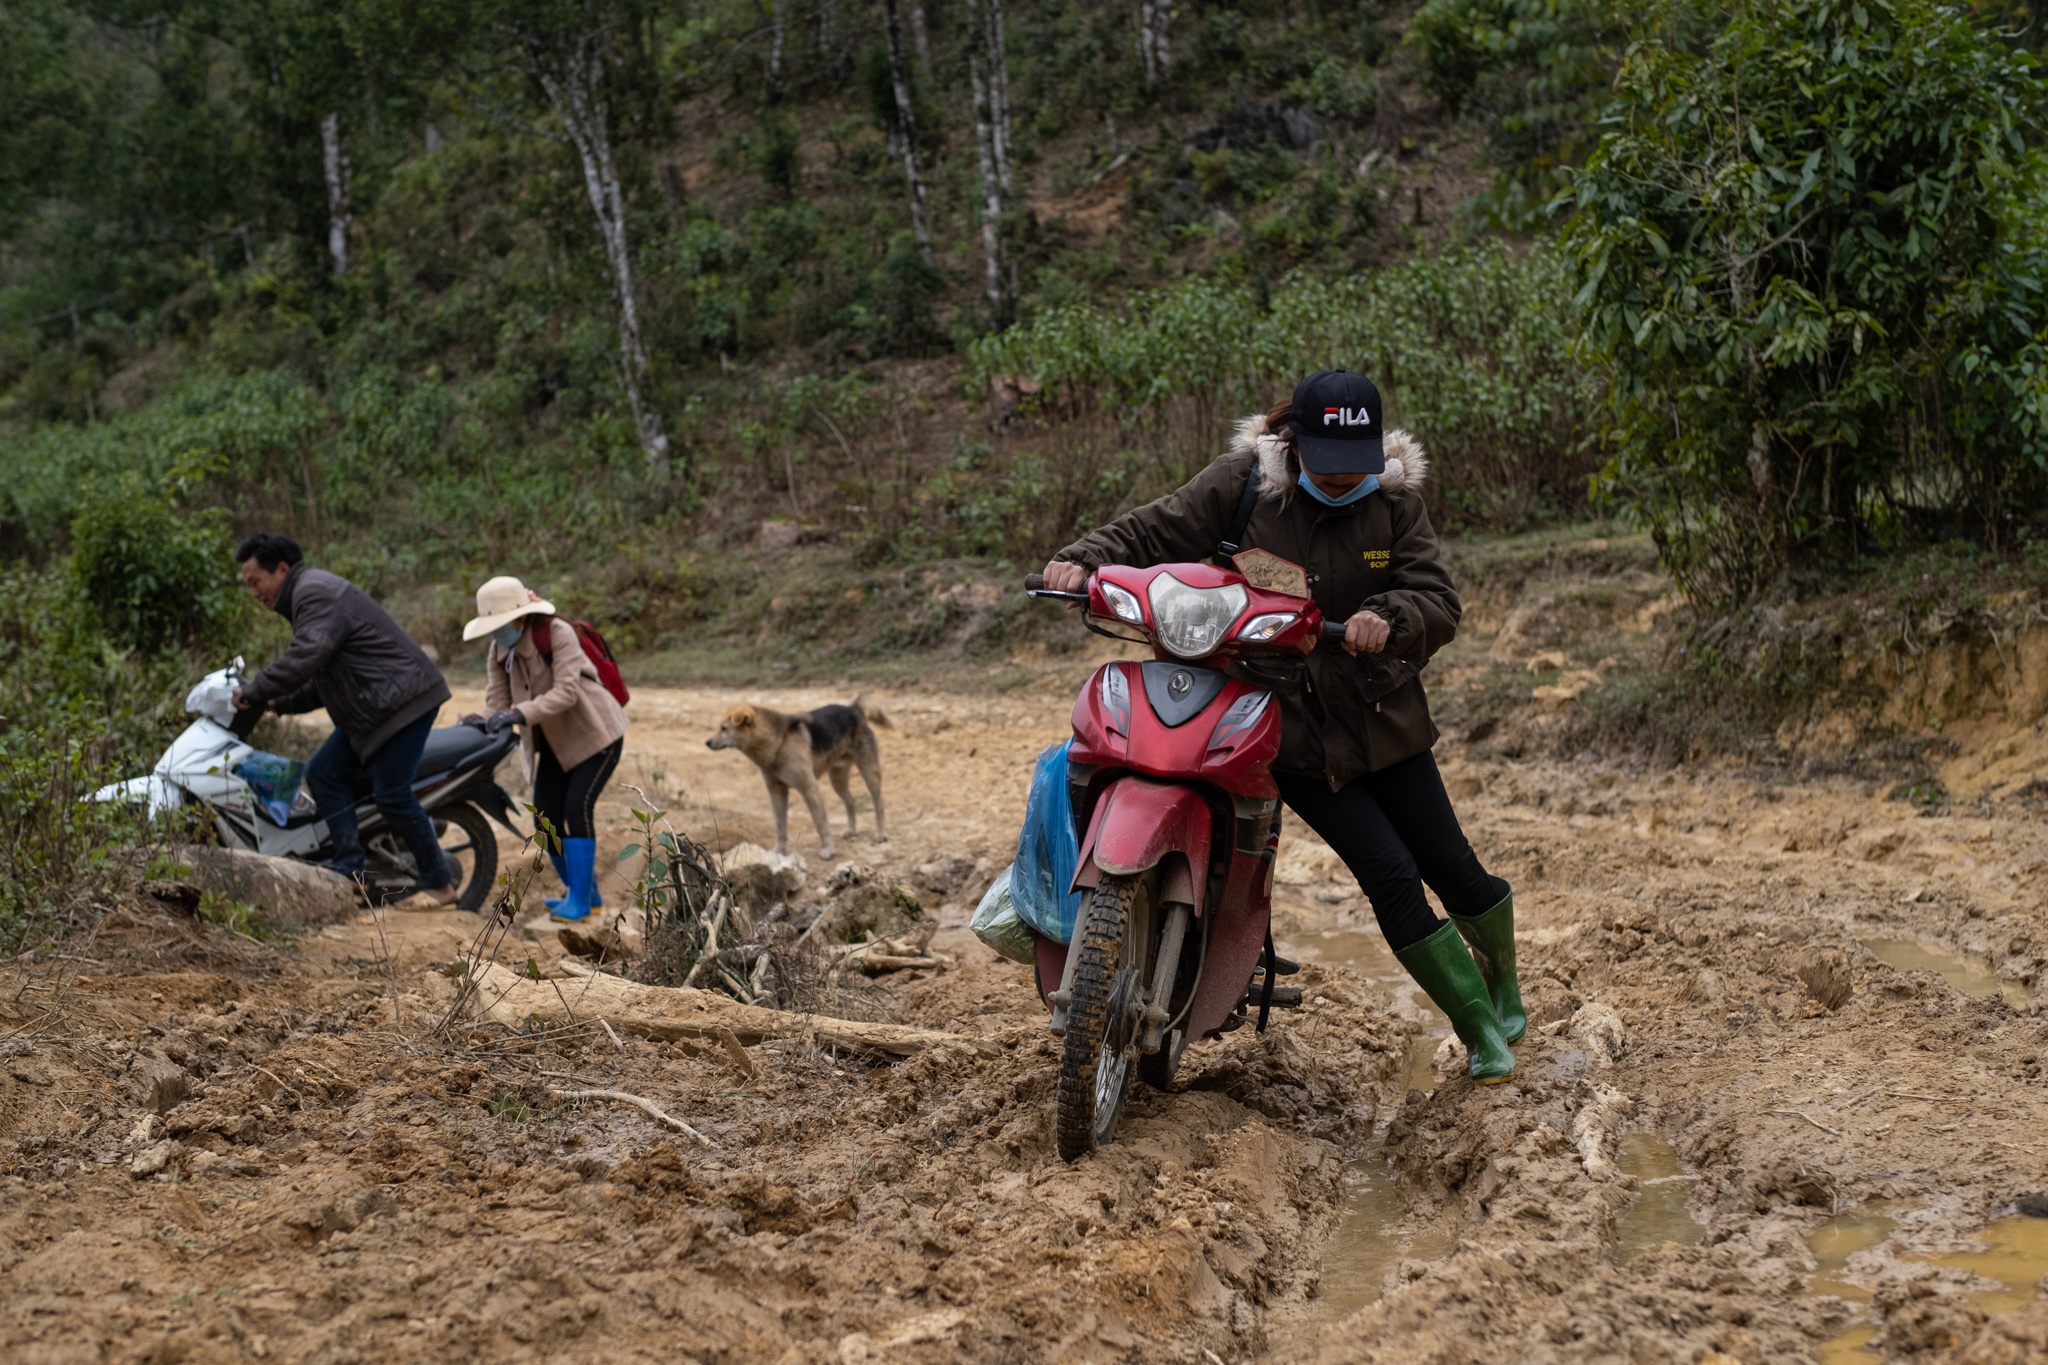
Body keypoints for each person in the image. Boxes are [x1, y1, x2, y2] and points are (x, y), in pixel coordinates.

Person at [1040, 369, 1525, 1083]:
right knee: (1389, 875)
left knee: (1453, 866)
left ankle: (1504, 985)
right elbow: (1154, 526)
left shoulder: (1394, 506)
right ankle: (1480, 1029)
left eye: (1352, 466)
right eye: (1324, 465)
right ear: (1292, 442)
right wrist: (1084, 558)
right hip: (1288, 733)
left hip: (1385, 724)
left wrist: (1389, 617)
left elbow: (1437, 598)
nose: (1339, 481)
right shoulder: (1242, 487)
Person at [232, 533, 458, 908]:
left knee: (392, 794)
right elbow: (323, 682)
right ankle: (351, 869)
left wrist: (255, 689)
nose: (254, 593)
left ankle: (440, 883)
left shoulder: (314, 593)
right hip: (374, 710)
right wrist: (275, 702)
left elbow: (307, 655)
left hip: (404, 704)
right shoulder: (306, 598)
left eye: (256, 582)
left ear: (282, 570)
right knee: (322, 771)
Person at [461, 576, 627, 923]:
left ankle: (580, 901)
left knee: (577, 806)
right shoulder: (498, 650)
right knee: (544, 818)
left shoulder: (556, 633)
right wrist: (480, 718)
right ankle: (583, 893)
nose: (497, 633)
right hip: (554, 743)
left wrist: (518, 714)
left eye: (501, 625)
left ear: (521, 617)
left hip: (597, 735)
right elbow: (497, 702)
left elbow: (566, 692)